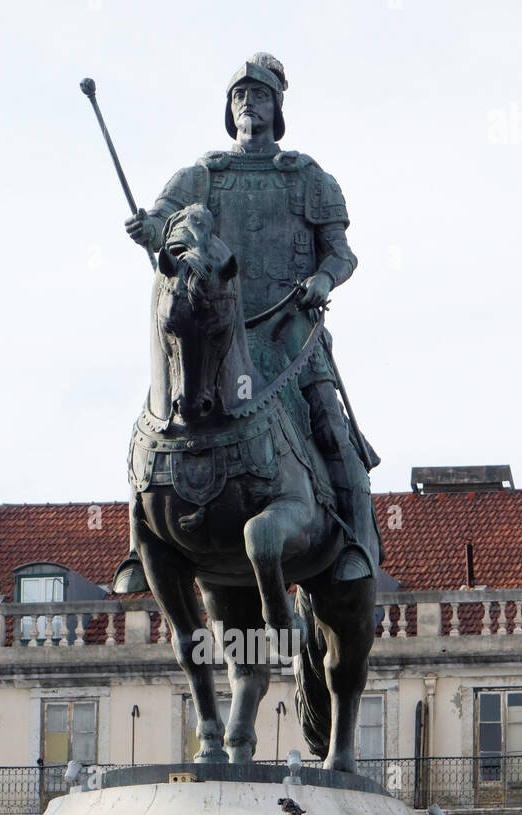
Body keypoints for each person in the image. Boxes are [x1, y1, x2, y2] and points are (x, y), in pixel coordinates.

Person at [120, 52, 377, 587]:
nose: (247, 103)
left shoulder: (306, 176)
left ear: (276, 107)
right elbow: (167, 230)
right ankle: (140, 542)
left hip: (289, 333)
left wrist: (324, 281)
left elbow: (340, 253)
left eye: (257, 95)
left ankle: (355, 545)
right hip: (214, 329)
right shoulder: (202, 176)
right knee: (162, 412)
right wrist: (148, 228)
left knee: (333, 427)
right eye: (238, 95)